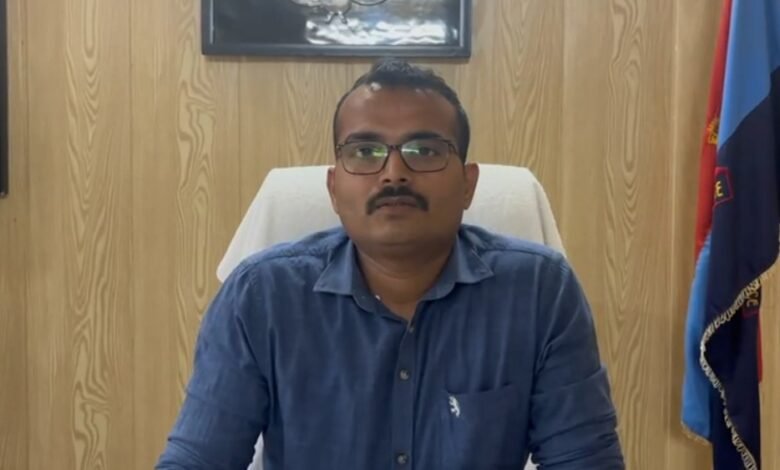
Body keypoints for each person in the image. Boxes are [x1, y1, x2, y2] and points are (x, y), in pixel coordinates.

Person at [156, 58, 624, 469]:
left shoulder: (540, 292)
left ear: (468, 184)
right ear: (334, 187)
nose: (394, 173)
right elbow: (199, 459)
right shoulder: (260, 297)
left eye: (425, 151)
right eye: (365, 152)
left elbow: (585, 461)